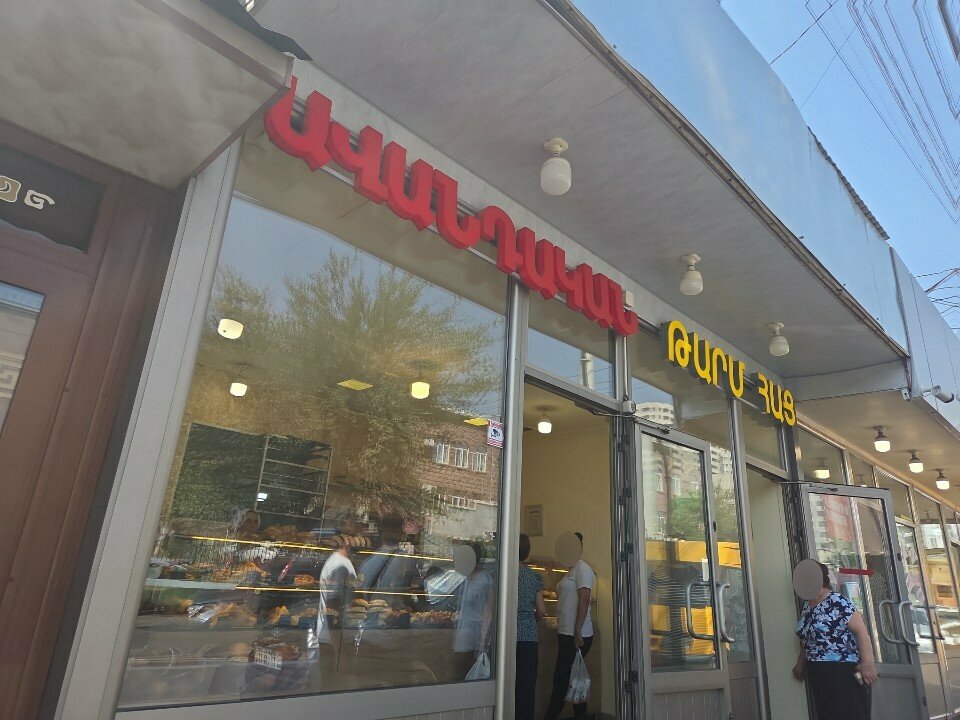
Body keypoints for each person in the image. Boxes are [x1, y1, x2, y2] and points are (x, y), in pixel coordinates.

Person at [793, 562, 876, 720]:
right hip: (817, 670)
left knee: (849, 714)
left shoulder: (837, 601)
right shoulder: (807, 606)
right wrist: (800, 663)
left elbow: (861, 631)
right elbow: (808, 639)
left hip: (842, 669)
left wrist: (868, 663)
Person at [545, 532, 595, 720]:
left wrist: (577, 631)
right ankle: (580, 715)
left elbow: (584, 600)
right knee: (574, 679)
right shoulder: (570, 571)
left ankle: (550, 716)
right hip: (566, 633)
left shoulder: (583, 569)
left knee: (561, 679)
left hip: (577, 635)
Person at [516, 533, 546, 720]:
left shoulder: (501, 573)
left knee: (507, 684)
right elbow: (542, 609)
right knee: (526, 686)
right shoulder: (534, 577)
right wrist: (531, 619)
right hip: (529, 637)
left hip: (507, 636)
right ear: (527, 554)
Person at [454, 541, 494, 678]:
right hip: (464, 633)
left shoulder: (484, 581)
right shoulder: (467, 579)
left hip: (474, 636)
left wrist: (483, 640)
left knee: (467, 674)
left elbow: (488, 611)